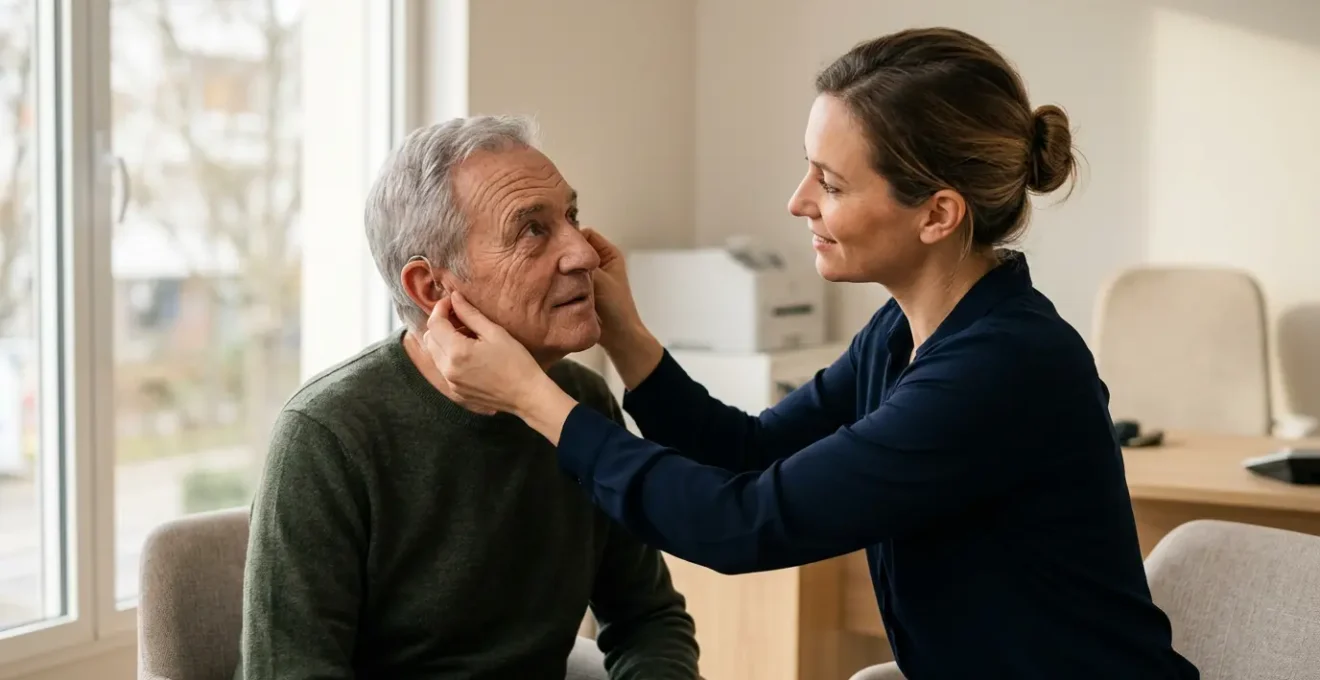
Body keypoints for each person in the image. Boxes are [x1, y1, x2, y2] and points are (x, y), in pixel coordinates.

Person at [421, 28, 1200, 680]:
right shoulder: (902, 335)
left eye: (828, 183)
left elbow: (745, 524)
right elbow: (748, 451)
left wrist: (534, 398)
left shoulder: (1004, 369)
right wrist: (624, 332)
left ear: (937, 214)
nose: (798, 201)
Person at [236, 116, 700, 680]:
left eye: (571, 217)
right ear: (432, 288)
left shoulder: (580, 403)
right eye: (532, 230)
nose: (583, 253)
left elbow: (648, 619)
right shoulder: (328, 434)